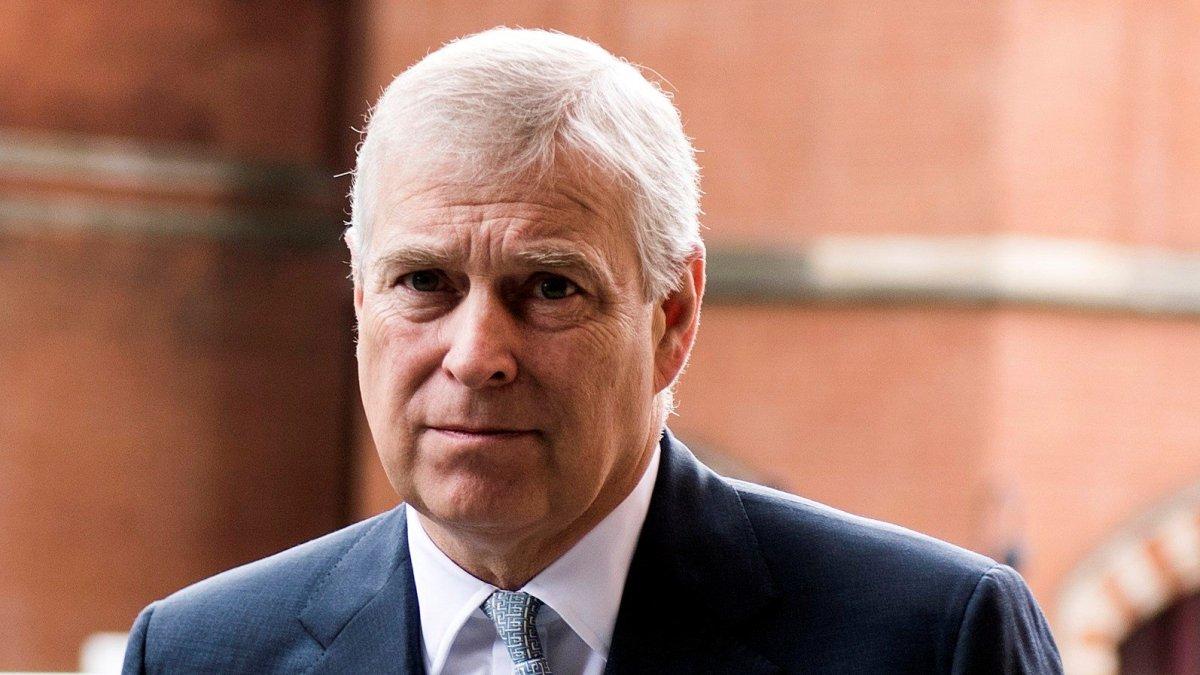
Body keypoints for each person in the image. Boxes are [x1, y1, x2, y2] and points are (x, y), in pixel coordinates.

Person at [122, 27, 1062, 674]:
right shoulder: (199, 655)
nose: (476, 356)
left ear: (673, 317)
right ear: (362, 299)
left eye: (549, 288)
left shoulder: (928, 641)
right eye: (424, 281)